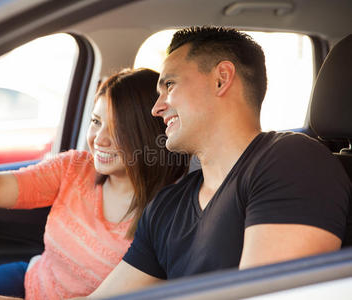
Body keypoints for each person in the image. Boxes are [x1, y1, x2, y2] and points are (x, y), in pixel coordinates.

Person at [78, 26, 350, 298]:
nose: (156, 107)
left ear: (221, 79)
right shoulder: (165, 207)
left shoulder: (292, 161)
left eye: (169, 85)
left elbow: (266, 295)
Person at [0, 68, 189, 299]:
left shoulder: (167, 216)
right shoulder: (74, 167)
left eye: (118, 128)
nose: (100, 139)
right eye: (96, 122)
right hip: (28, 280)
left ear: (148, 133)